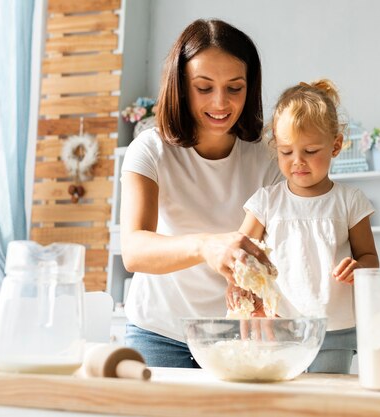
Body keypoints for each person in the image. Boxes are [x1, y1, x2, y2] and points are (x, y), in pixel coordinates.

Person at [119, 18, 283, 367]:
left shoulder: (267, 158)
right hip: (158, 333)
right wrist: (206, 245)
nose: (221, 103)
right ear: (180, 86)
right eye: (204, 87)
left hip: (238, 334)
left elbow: (276, 247)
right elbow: (133, 250)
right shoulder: (150, 150)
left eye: (235, 88)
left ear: (250, 87)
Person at [228, 79, 379, 374]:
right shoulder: (266, 202)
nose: (298, 161)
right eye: (286, 152)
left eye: (310, 151)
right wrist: (239, 287)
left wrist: (359, 269)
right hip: (277, 325)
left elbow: (370, 258)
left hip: (334, 330)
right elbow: (238, 255)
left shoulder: (350, 201)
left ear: (336, 145)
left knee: (325, 401)